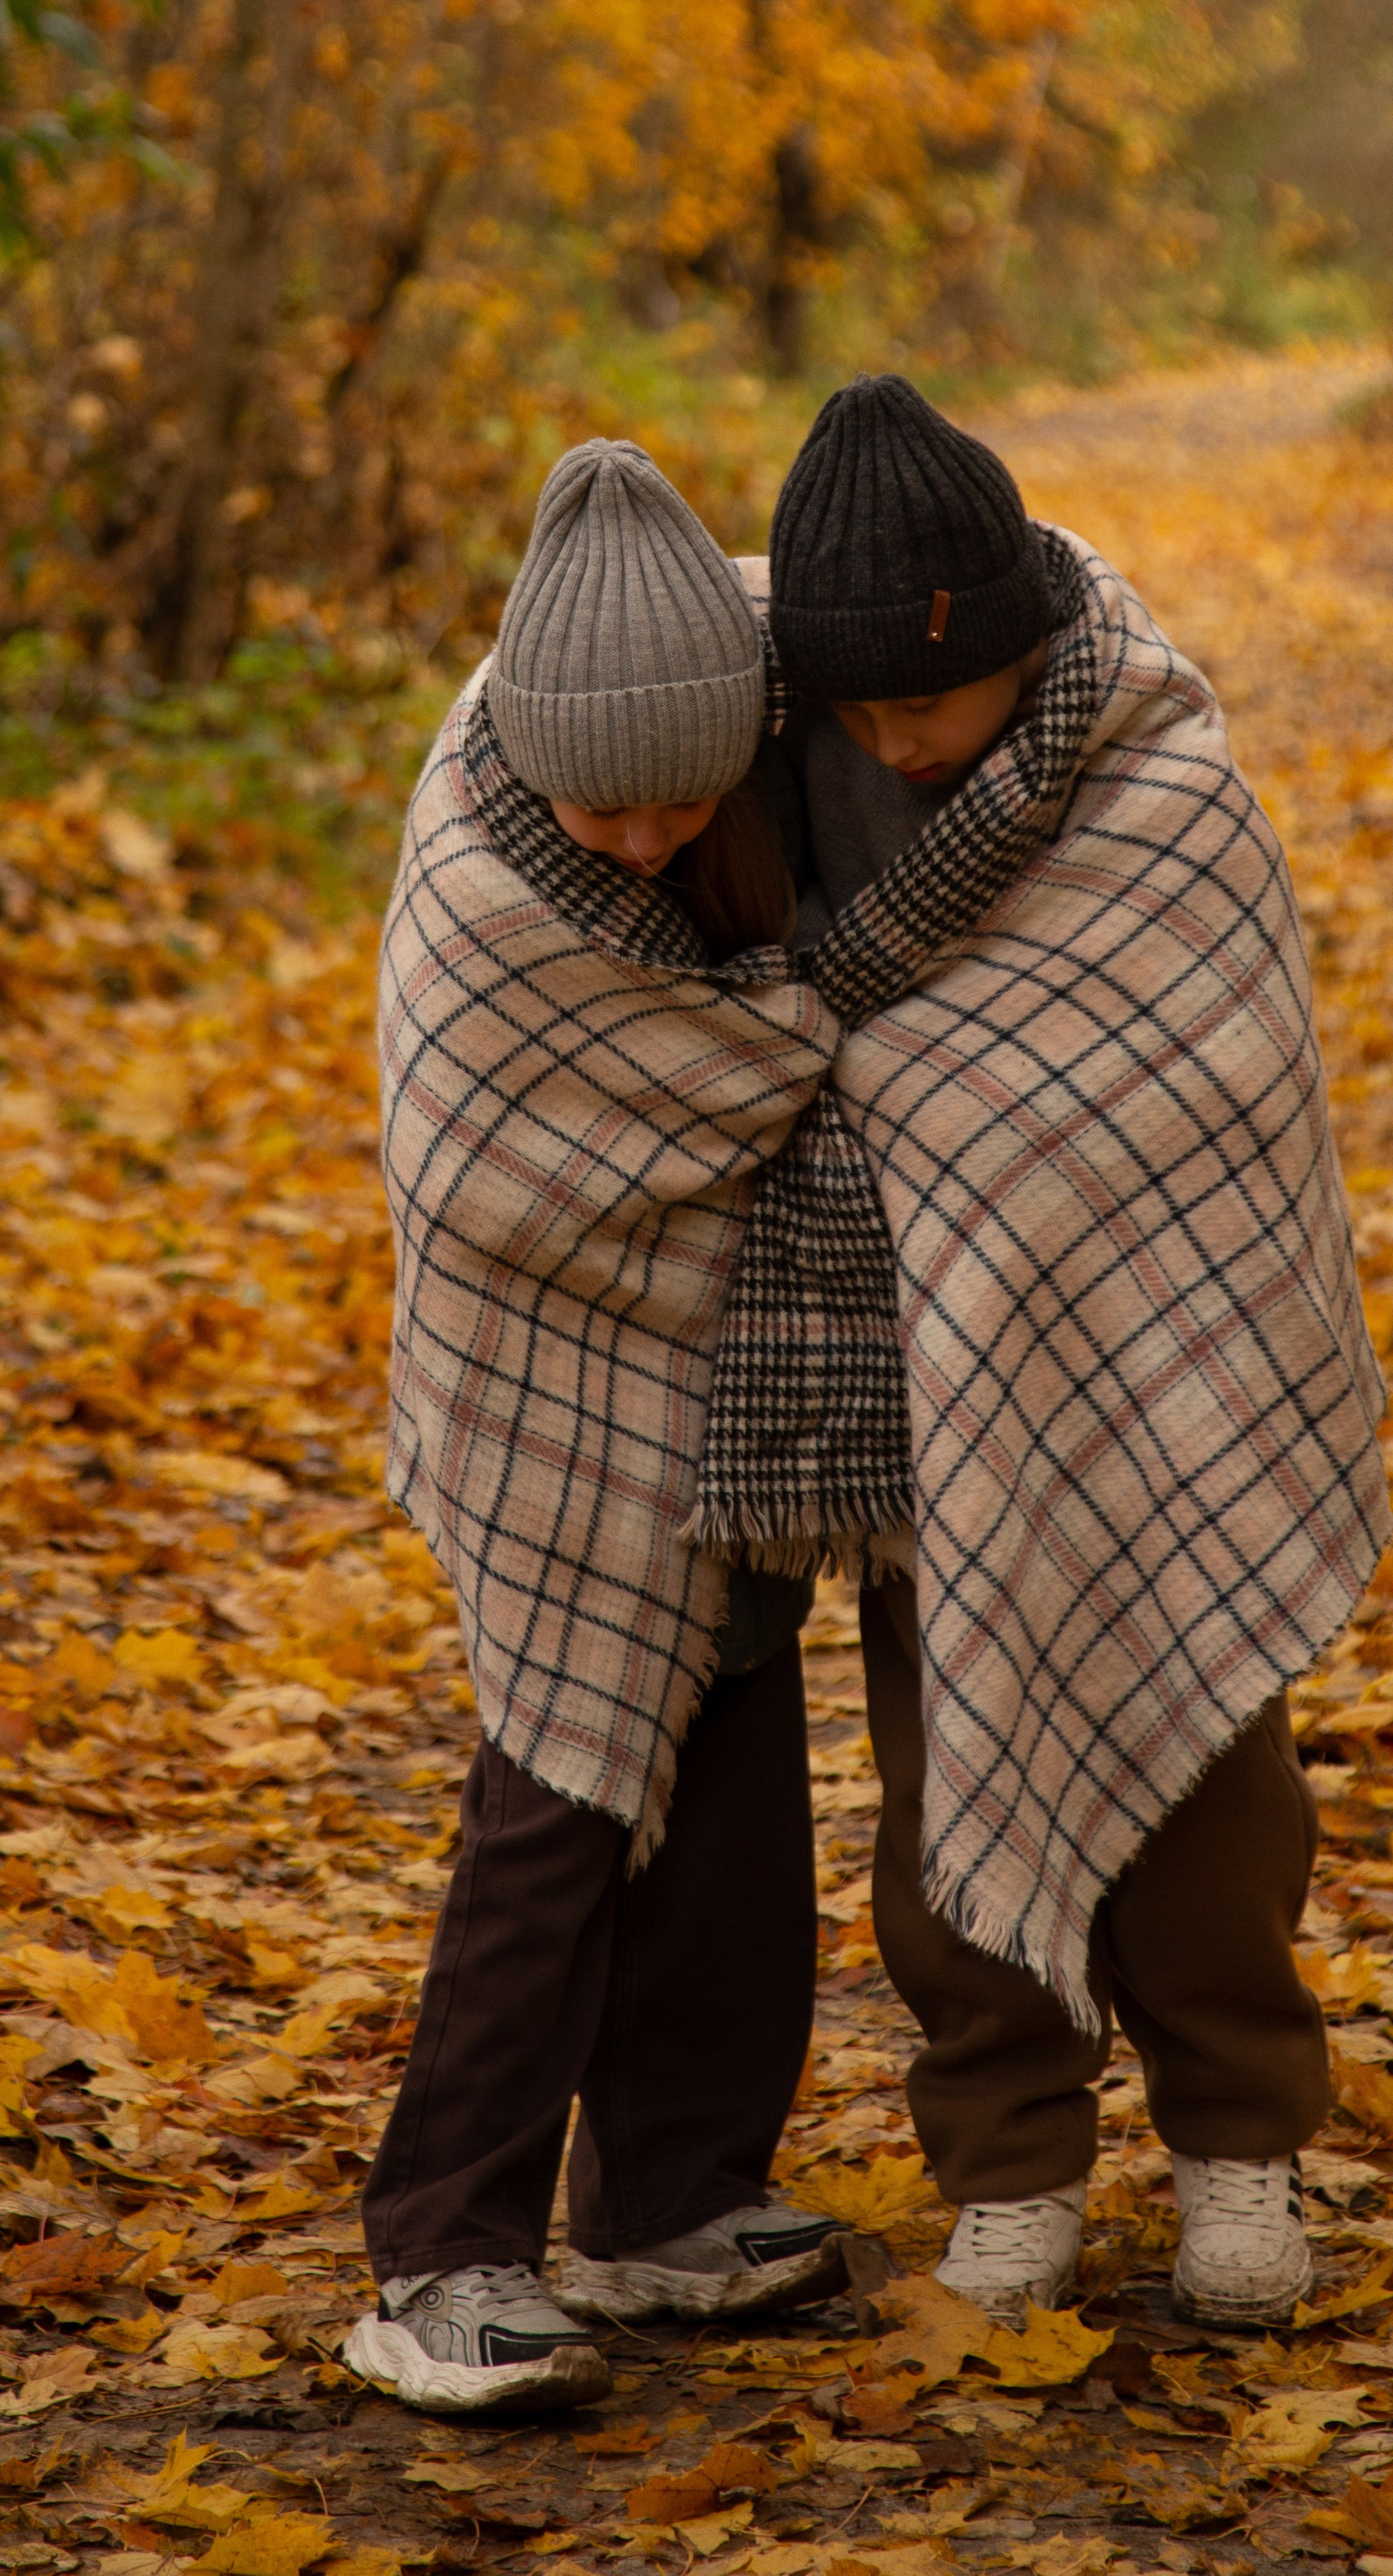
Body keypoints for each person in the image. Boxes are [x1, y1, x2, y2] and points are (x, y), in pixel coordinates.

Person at [757, 373, 1388, 2327]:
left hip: (1160, 1370)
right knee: (943, 1775)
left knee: (1210, 1791)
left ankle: (1236, 2143)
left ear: (1018, 637)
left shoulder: (1157, 783)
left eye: (926, 699)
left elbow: (1223, 1072)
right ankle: (1010, 2159)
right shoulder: (778, 767)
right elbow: (755, 1002)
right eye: (854, 706)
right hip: (917, 1359)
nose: (891, 739)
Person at [347, 439, 845, 2418]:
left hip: (734, 1373)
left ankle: (668, 2200)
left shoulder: (767, 775)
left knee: (735, 1779)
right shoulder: (484, 870)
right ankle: (437, 2250)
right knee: (555, 1800)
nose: (640, 840)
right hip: (546, 1373)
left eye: (679, 802)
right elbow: (496, 1164)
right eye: (602, 806)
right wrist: (794, 1052)